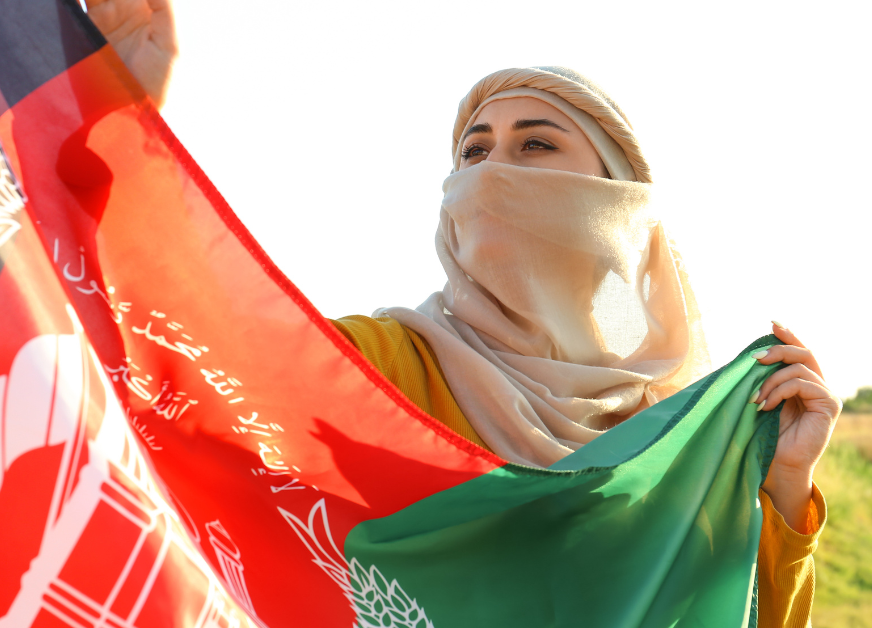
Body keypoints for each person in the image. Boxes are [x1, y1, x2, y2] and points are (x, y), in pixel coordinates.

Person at [85, 2, 840, 626]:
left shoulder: (678, 438)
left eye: (535, 144)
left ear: (618, 206)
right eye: (472, 152)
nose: (489, 171)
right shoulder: (377, 366)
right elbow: (171, 351)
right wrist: (114, 125)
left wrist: (783, 487)